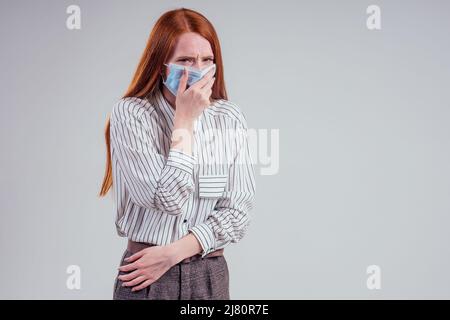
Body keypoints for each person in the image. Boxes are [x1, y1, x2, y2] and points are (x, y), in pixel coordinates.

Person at [98, 7, 256, 300]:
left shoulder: (229, 117)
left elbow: (238, 212)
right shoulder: (132, 114)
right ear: (161, 67)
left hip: (209, 274)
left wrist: (172, 254)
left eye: (207, 60)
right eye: (185, 60)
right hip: (145, 276)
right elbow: (165, 198)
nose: (199, 68)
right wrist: (184, 120)